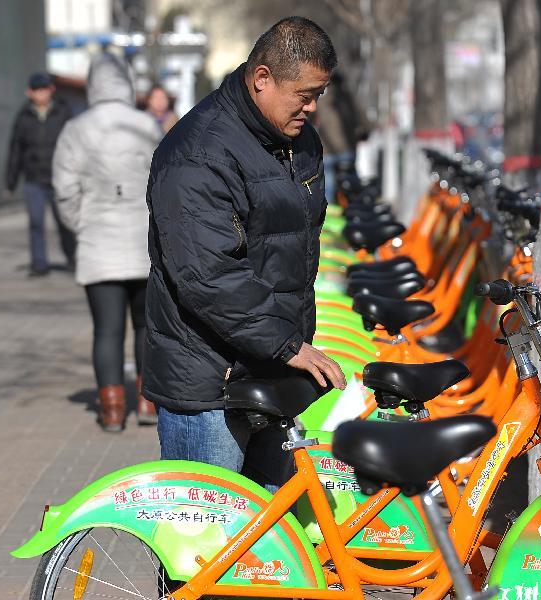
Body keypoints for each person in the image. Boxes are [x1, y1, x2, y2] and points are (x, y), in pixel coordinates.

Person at [144, 17, 346, 488]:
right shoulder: (199, 152)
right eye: (304, 94)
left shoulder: (299, 142)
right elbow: (209, 273)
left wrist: (285, 345)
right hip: (209, 380)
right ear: (262, 80)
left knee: (271, 548)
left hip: (269, 365)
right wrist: (287, 344)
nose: (313, 107)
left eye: (320, 93)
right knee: (206, 544)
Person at [52, 53, 163, 432]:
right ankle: (148, 403)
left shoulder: (76, 129)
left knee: (107, 330)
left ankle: (112, 409)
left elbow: (64, 190)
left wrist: (80, 225)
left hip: (99, 243)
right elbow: (166, 181)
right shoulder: (147, 125)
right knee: (148, 326)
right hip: (144, 242)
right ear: (127, 83)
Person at [5, 72, 77, 276]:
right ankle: (39, 264)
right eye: (37, 89)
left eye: (44, 89)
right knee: (36, 222)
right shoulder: (23, 115)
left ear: (51, 90)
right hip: (33, 179)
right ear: (29, 92)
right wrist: (10, 182)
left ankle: (72, 257)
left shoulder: (63, 112)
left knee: (64, 222)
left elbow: (74, 144)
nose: (41, 93)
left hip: (59, 178)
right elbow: (16, 149)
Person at [313, 70, 371, 202]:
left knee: (328, 186)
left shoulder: (321, 100)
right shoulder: (348, 100)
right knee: (352, 182)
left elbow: (307, 119)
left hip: (327, 151)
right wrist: (364, 133)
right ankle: (356, 206)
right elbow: (363, 120)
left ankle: (327, 213)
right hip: (347, 150)